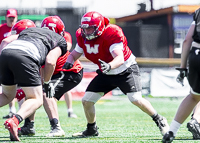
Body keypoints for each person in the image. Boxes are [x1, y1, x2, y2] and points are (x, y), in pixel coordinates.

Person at [62, 11, 169, 137]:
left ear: (100, 26)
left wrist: (109, 66)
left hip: (125, 70)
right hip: (106, 72)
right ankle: (91, 129)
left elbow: (119, 58)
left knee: (135, 98)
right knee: (87, 101)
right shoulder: (82, 36)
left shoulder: (111, 32)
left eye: (91, 28)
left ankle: (159, 119)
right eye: (85, 29)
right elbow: (75, 53)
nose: (88, 32)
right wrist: (69, 62)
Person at [0, 16, 68, 141]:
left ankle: (23, 123)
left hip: (5, 54)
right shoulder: (60, 39)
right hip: (26, 56)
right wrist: (47, 82)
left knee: (7, 95)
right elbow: (50, 61)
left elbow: (5, 40)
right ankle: (15, 121)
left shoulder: (30, 30)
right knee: (36, 99)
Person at [17, 17, 83, 137]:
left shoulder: (52, 42)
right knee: (32, 93)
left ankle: (56, 128)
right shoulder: (47, 40)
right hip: (54, 71)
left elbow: (49, 63)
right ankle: (28, 126)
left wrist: (45, 83)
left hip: (69, 71)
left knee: (46, 93)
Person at [162, 8, 200, 143]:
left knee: (194, 96)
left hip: (195, 56)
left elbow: (187, 40)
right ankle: (196, 121)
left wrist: (183, 67)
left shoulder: (199, 12)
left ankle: (171, 131)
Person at [0, 8, 19, 119]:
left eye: (13, 17)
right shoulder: (1, 29)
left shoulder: (18, 28)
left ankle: (14, 110)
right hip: (2, 60)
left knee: (13, 85)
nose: (11, 19)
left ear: (16, 18)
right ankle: (12, 110)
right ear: (6, 17)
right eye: (9, 17)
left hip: (15, 60)